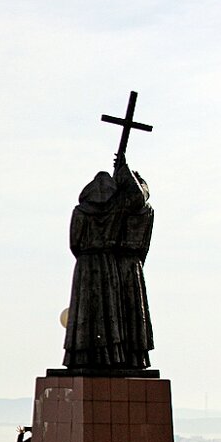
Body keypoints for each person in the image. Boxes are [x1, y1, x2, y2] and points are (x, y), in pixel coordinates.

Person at [62, 155, 155, 370]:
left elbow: (74, 243)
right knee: (113, 312)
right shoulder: (120, 210)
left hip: (87, 264)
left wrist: (123, 168)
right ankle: (120, 355)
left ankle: (88, 356)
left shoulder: (81, 212)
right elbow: (135, 200)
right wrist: (123, 170)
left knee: (92, 311)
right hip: (113, 263)